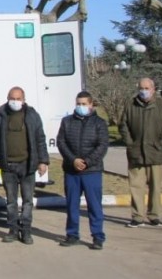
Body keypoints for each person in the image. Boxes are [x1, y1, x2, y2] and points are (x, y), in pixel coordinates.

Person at [0, 86, 49, 245]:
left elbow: (40, 139)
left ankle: (26, 230)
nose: (15, 101)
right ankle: (13, 230)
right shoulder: (0, 116)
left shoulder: (32, 115)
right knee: (11, 201)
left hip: (28, 165)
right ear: (7, 99)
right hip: (8, 167)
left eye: (18, 99)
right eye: (12, 98)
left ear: (23, 100)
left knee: (27, 201)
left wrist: (43, 161)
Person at [119, 77, 162, 228]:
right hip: (136, 154)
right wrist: (130, 143)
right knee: (136, 187)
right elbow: (123, 125)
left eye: (146, 88)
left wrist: (161, 144)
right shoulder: (131, 104)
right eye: (141, 88)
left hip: (155, 154)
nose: (143, 91)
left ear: (153, 89)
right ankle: (137, 216)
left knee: (155, 187)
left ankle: (154, 215)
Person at [57, 90, 109, 250]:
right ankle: (72, 235)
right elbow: (61, 142)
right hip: (71, 171)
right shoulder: (67, 121)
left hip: (92, 171)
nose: (81, 106)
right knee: (72, 205)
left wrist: (86, 161)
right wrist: (73, 160)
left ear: (91, 105)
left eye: (84, 104)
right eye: (78, 104)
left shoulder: (99, 123)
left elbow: (102, 146)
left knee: (94, 206)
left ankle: (98, 237)